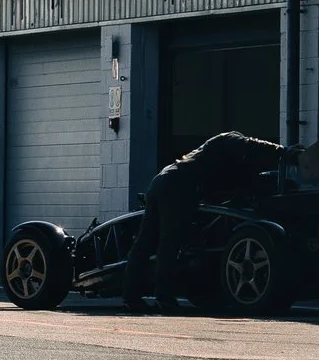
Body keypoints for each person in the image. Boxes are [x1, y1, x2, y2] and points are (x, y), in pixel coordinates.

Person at [123, 131, 291, 311]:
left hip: (162, 181)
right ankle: (164, 297)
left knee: (145, 242)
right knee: (169, 241)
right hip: (177, 185)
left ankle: (131, 297)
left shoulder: (215, 163)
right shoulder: (228, 138)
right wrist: (283, 151)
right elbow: (251, 143)